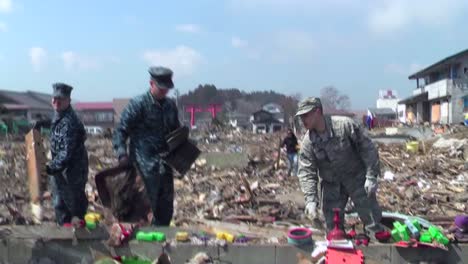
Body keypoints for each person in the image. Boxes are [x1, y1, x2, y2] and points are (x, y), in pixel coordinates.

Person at [295, 97, 388, 238]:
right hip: (331, 186)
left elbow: (368, 149)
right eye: (301, 116)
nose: (303, 120)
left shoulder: (344, 126)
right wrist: (311, 200)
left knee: (372, 222)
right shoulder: (308, 143)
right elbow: (307, 172)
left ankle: (378, 250)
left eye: (306, 115)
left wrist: (371, 176)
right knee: (333, 231)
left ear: (317, 112)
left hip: (357, 179)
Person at [113, 66, 181, 226]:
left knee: (165, 211)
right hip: (143, 169)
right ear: (151, 84)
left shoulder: (170, 106)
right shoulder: (138, 104)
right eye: (161, 88)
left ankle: (161, 244)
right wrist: (122, 154)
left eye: (167, 89)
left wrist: (183, 152)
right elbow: (120, 131)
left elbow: (176, 133)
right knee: (141, 212)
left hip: (165, 168)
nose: (165, 92)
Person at [46, 83, 88, 225]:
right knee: (61, 204)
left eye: (60, 100)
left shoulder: (69, 122)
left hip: (72, 171)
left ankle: (71, 239)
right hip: (62, 170)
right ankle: (67, 233)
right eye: (54, 99)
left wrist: (51, 167)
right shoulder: (59, 116)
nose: (56, 102)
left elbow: (66, 152)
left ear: (68, 101)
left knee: (71, 206)